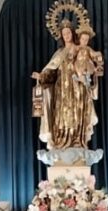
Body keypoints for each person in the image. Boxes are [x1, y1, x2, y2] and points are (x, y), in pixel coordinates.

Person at [33, 21, 99, 150]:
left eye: (68, 32)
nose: (66, 35)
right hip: (61, 90)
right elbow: (51, 71)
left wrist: (91, 69)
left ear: (73, 33)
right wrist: (41, 77)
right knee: (61, 115)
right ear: (61, 36)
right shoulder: (59, 53)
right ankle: (61, 142)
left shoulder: (80, 48)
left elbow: (89, 66)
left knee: (77, 113)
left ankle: (77, 141)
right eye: (64, 33)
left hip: (77, 89)